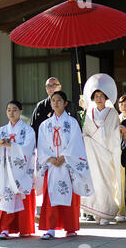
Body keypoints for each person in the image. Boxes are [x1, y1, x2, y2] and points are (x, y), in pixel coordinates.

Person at [35, 91, 94, 240]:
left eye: (59, 100)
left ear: (65, 103)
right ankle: (50, 228)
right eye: (53, 100)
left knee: (70, 195)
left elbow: (76, 143)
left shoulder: (72, 122)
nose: (55, 103)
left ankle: (70, 227)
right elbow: (41, 145)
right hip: (52, 165)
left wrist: (64, 157)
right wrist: (50, 158)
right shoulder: (45, 124)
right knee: (50, 197)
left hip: (68, 164)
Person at [0, 100, 36, 239]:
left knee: (20, 194)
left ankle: (23, 228)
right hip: (6, 171)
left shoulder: (28, 130)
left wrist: (10, 145)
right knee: (6, 196)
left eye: (14, 109)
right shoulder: (2, 130)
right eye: (8, 110)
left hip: (20, 170)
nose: (11, 112)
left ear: (20, 111)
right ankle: (5, 229)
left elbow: (28, 148)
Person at [80, 74, 123, 225]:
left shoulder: (113, 114)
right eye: (96, 96)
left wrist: (110, 146)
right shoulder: (89, 114)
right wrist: (88, 142)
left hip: (107, 152)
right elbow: (85, 132)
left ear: (106, 98)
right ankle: (97, 212)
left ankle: (106, 212)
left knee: (107, 182)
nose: (98, 98)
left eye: (101, 96)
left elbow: (115, 134)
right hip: (92, 154)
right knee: (95, 182)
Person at [30, 77, 76, 143]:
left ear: (60, 87)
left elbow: (75, 127)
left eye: (54, 85)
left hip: (66, 143)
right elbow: (34, 128)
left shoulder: (69, 104)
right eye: (49, 86)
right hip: (46, 145)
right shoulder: (41, 106)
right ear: (46, 89)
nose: (51, 88)